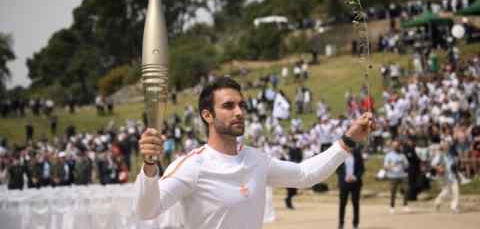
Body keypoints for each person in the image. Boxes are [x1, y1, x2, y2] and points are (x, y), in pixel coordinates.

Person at [133, 77, 373, 229]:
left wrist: (348, 140)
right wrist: (149, 166)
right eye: (228, 106)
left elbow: (305, 174)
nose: (239, 112)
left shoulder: (257, 160)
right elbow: (147, 211)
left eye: (242, 105)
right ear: (207, 115)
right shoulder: (191, 166)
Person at [336, 145, 364, 229]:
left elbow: (362, 169)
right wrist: (345, 177)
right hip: (344, 183)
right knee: (342, 204)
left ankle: (355, 224)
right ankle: (341, 224)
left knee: (356, 204)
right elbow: (338, 170)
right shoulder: (341, 156)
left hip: (355, 183)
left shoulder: (357, 155)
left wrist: (355, 177)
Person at [432, 141, 460, 213]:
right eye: (445, 146)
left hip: (452, 176)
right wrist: (439, 168)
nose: (447, 147)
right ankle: (437, 202)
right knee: (446, 191)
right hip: (444, 176)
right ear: (443, 147)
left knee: (456, 191)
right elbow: (433, 164)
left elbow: (453, 166)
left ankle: (454, 207)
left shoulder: (450, 155)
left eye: (448, 146)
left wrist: (457, 174)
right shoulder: (440, 155)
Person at [384, 140, 409, 214]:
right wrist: (390, 166)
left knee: (407, 189)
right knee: (393, 192)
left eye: (397, 145)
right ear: (392, 146)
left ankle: (405, 205)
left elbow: (407, 164)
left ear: (399, 146)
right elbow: (385, 166)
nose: (396, 147)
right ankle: (392, 207)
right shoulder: (388, 155)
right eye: (394, 146)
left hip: (402, 175)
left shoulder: (402, 155)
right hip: (392, 176)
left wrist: (403, 164)